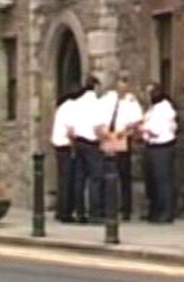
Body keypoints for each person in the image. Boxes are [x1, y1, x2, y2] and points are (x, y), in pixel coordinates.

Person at [98, 73, 144, 221]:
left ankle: (126, 209)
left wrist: (123, 131)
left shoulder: (131, 102)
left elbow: (137, 121)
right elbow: (99, 118)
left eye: (125, 84)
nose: (122, 87)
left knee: (124, 175)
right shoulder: (107, 99)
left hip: (123, 138)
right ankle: (106, 206)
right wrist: (104, 131)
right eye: (120, 83)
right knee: (107, 174)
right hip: (107, 137)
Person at [140, 82, 178, 223]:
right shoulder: (153, 108)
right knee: (152, 181)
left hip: (162, 147)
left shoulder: (164, 108)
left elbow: (155, 130)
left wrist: (143, 129)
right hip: (152, 146)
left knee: (163, 180)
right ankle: (155, 209)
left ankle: (166, 212)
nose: (148, 96)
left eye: (150, 92)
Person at [71, 76, 105, 223]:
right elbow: (98, 128)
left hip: (78, 142)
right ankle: (94, 213)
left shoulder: (76, 103)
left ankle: (79, 212)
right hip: (91, 144)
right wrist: (105, 141)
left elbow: (71, 129)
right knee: (96, 178)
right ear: (96, 87)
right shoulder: (96, 104)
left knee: (80, 178)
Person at [50, 89, 80, 223]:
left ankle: (61, 210)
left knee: (63, 179)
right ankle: (65, 212)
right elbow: (71, 129)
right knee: (67, 180)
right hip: (65, 146)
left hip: (58, 145)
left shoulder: (62, 107)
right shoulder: (70, 107)